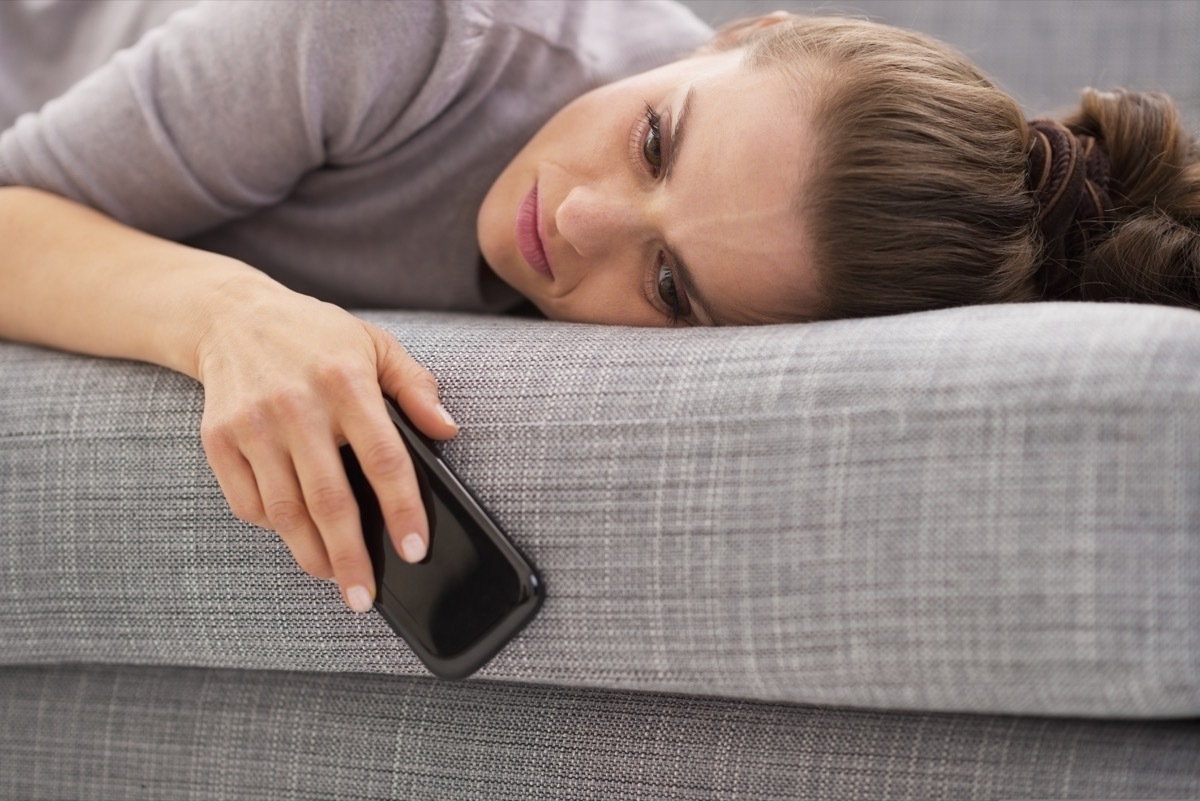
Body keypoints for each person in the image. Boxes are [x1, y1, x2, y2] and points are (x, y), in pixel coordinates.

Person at [1, 1, 1197, 616]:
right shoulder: (404, 28)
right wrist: (227, 315)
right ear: (748, 35)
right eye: (656, 140)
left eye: (670, 286)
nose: (576, 221)